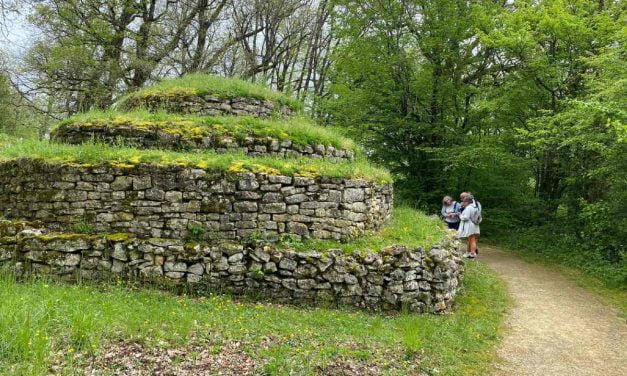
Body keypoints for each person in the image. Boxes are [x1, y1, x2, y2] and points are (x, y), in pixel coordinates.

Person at [457, 194, 481, 259]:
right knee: (471, 239)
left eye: (464, 202)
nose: (463, 203)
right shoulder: (475, 207)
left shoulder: (469, 207)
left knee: (472, 240)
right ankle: (471, 253)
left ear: (467, 201)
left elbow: (466, 218)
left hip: (470, 225)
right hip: (474, 225)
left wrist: (460, 215)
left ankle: (472, 254)